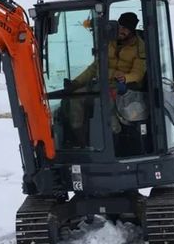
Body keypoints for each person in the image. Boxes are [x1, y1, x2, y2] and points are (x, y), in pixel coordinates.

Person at [62, 12, 147, 147]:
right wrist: (76, 82)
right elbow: (95, 67)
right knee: (76, 97)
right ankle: (80, 139)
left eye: (126, 28)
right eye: (120, 26)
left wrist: (125, 78)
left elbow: (138, 74)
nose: (122, 31)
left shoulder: (140, 47)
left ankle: (114, 141)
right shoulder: (108, 42)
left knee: (106, 101)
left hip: (125, 89)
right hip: (103, 83)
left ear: (132, 30)